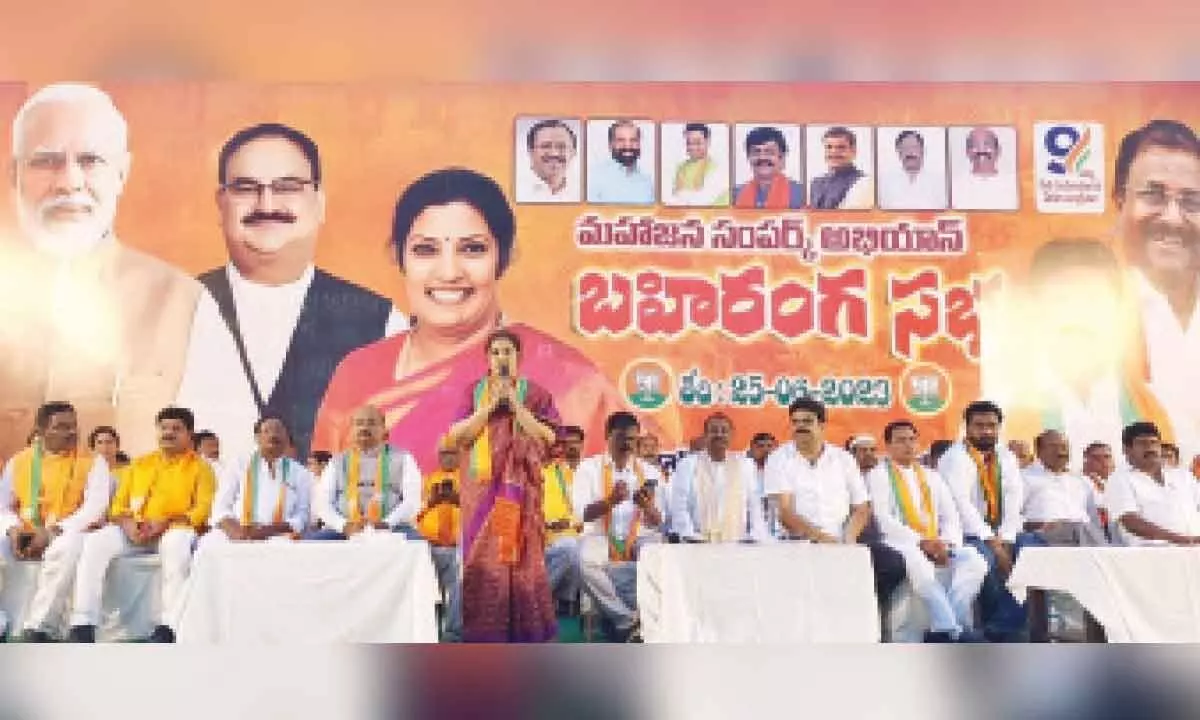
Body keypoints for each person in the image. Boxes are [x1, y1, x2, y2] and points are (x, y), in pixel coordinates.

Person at [311, 167, 665, 473]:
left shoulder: (572, 379)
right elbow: (328, 485)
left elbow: (614, 483)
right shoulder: (356, 372)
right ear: (398, 256)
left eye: (473, 249)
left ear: (506, 257)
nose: (449, 272)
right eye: (425, 250)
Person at [0, 83, 213, 459]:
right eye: (46, 160)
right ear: (14, 173)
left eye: (90, 160)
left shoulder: (184, 302)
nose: (68, 182)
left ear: (121, 173)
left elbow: (215, 455)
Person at [178, 122, 405, 461]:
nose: (267, 203)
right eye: (245, 187)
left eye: (288, 186)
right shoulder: (177, 308)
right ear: (220, 203)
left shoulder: (381, 322)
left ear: (320, 203)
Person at [446, 328, 560, 642]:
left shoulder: (536, 394)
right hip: (482, 494)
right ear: (487, 358)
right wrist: (487, 409)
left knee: (523, 561)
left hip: (522, 492)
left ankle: (526, 637)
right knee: (484, 562)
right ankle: (485, 639)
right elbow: (458, 437)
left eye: (507, 352)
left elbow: (550, 437)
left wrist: (516, 407)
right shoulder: (473, 392)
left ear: (518, 357)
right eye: (495, 352)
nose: (501, 358)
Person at [67, 406, 216, 643]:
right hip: (135, 531)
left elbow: (202, 511)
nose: (168, 433)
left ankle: (169, 626)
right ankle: (83, 622)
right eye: (164, 428)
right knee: (95, 542)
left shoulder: (201, 468)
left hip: (174, 530)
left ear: (190, 434)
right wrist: (127, 524)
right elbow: (117, 506)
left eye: (176, 429)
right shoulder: (140, 464)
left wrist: (166, 522)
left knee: (177, 545)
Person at [764, 398, 906, 613]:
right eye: (795, 422)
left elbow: (862, 506)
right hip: (798, 541)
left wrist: (848, 540)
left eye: (806, 421)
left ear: (821, 425)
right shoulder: (779, 459)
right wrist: (821, 538)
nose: (799, 427)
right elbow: (785, 512)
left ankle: (870, 617)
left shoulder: (843, 459)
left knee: (892, 564)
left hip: (842, 540)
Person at [1114, 120, 1200, 442]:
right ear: (1120, 201)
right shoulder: (1090, 312)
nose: (1173, 218)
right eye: (1154, 196)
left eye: (1192, 202)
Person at [0, 402, 111, 642]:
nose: (71, 432)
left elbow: (95, 507)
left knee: (67, 546)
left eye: (73, 426)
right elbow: (3, 505)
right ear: (40, 431)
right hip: (24, 530)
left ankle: (39, 626)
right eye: (61, 427)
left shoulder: (92, 461)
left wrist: (51, 532)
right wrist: (12, 529)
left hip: (69, 531)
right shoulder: (19, 461)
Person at [867, 420, 986, 642]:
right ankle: (948, 628)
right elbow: (882, 518)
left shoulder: (932, 476)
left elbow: (950, 515)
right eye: (901, 440)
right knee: (918, 562)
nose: (908, 445)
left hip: (937, 541)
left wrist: (946, 542)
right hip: (900, 541)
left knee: (975, 562)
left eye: (912, 439)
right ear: (888, 445)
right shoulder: (878, 475)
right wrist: (921, 542)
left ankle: (953, 617)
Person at [937, 400, 1030, 641]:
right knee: (985, 560)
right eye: (979, 425)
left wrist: (1007, 538)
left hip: (1003, 531)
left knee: (1032, 548)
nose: (987, 431)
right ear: (966, 427)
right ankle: (998, 632)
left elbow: (1014, 497)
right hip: (968, 531)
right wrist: (993, 542)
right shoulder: (954, 457)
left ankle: (1003, 627)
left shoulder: (1005, 456)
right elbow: (961, 504)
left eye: (992, 425)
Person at [572, 411, 664, 642]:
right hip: (601, 536)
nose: (626, 444)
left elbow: (659, 521)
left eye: (632, 439)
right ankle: (626, 621)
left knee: (658, 553)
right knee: (582, 558)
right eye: (620, 437)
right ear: (607, 436)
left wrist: (648, 508)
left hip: (638, 538)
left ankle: (644, 621)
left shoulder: (650, 472)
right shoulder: (588, 468)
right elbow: (582, 514)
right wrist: (610, 501)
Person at [198, 415, 312, 550]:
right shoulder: (239, 464)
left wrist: (267, 531)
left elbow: (302, 515)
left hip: (277, 534)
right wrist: (235, 531)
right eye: (267, 431)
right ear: (257, 438)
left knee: (284, 549)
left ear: (287, 439)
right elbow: (221, 506)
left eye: (278, 430)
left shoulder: (300, 473)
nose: (273, 435)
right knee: (209, 545)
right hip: (236, 530)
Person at [671, 413, 768, 543]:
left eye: (724, 431)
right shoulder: (688, 464)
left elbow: (754, 505)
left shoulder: (745, 465)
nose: (719, 435)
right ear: (705, 435)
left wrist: (755, 536)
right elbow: (679, 505)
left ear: (732, 435)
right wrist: (689, 535)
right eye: (714, 431)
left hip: (736, 544)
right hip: (697, 544)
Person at [1105, 421, 1200, 545]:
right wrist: (1180, 539)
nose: (1150, 448)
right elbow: (1130, 522)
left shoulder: (1182, 476)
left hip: (1194, 551)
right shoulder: (1119, 479)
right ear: (1126, 450)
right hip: (1151, 555)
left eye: (1154, 442)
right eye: (1142, 443)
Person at [415, 437, 465, 641]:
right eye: (444, 453)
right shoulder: (427, 480)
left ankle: (453, 633)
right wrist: (431, 502)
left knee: (458, 586)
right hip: (428, 546)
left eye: (452, 453)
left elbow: (479, 512)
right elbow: (412, 513)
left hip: (457, 547)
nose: (448, 457)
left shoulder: (469, 481)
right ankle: (429, 630)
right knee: (427, 588)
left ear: (461, 455)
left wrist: (458, 500)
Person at [1021, 430, 1106, 546]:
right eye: (1053, 446)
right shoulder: (1023, 478)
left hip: (1084, 536)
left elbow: (1097, 513)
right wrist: (1038, 525)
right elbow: (1011, 516)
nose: (1061, 451)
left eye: (1064, 447)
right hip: (1044, 537)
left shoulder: (1081, 480)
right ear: (1039, 451)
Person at [542, 425, 585, 614]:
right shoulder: (550, 471)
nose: (571, 447)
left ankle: (564, 601)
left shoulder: (589, 471)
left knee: (576, 549)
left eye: (575, 442)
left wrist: (574, 523)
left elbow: (584, 507)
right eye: (566, 443)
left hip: (582, 532)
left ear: (583, 444)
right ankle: (547, 598)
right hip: (549, 534)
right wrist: (550, 524)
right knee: (570, 548)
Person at [731, 126, 803, 209]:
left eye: (769, 152)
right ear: (748, 157)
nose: (762, 157)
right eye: (756, 152)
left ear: (782, 157)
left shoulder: (799, 194)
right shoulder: (737, 194)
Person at [587, 120, 655, 205]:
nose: (628, 145)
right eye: (621, 140)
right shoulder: (594, 177)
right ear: (610, 145)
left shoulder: (647, 182)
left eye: (633, 140)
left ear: (639, 144)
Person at [878, 129, 948, 210]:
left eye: (914, 147)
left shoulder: (940, 182)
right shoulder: (884, 182)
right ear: (899, 153)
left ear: (922, 151)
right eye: (905, 148)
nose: (910, 152)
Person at [809, 126, 873, 210]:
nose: (834, 152)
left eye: (841, 147)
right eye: (829, 147)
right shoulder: (816, 183)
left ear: (853, 151)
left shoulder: (863, 183)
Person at [518, 119, 580, 202]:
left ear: (573, 152)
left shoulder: (580, 191)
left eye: (562, 147)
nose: (554, 153)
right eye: (545, 146)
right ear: (531, 151)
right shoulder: (516, 190)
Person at [668, 123, 729, 206]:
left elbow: (704, 200)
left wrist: (684, 197)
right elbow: (675, 199)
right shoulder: (681, 168)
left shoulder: (717, 169)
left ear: (708, 141)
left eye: (697, 143)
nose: (692, 147)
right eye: (689, 143)